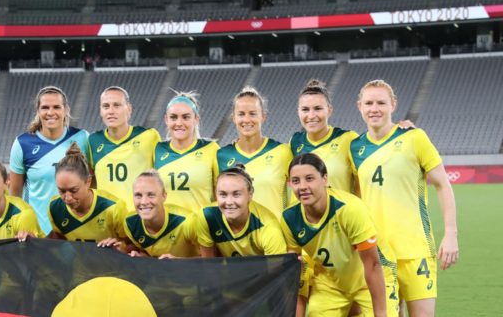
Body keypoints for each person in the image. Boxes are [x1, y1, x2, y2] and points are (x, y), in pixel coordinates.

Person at [349, 79, 459, 316]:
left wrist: (451, 234)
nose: (374, 108)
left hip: (416, 249)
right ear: (359, 106)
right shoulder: (354, 148)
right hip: (376, 253)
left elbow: (443, 184)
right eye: (368, 103)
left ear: (393, 105)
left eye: (381, 102)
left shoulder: (414, 138)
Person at [281, 153, 399, 317]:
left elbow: (373, 265)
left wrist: (381, 314)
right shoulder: (289, 218)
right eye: (296, 181)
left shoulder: (349, 209)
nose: (302, 186)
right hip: (330, 283)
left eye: (309, 178)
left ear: (324, 179)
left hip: (373, 275)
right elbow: (293, 265)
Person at [9, 86, 89, 234]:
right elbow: (15, 197)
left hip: (76, 232)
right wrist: (20, 228)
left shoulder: (82, 138)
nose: (50, 112)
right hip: (37, 235)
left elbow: (92, 186)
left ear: (65, 110)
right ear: (38, 111)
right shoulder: (22, 144)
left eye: (56, 107)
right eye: (45, 107)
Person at [214, 86, 291, 217]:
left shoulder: (282, 152)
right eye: (241, 114)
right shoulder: (221, 156)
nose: (247, 120)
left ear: (263, 117)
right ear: (234, 118)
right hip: (236, 236)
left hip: (274, 234)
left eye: (253, 113)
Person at [87, 86, 161, 210]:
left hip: (140, 220)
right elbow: (91, 182)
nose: (111, 111)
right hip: (108, 222)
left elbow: (162, 179)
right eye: (106, 106)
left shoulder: (149, 136)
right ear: (100, 111)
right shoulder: (92, 141)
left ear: (129, 109)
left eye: (117, 105)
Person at [98, 170, 199, 258]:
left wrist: (178, 262)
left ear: (164, 196)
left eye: (151, 195)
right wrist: (120, 250)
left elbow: (211, 260)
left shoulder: (187, 222)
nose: (144, 202)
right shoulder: (130, 223)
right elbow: (145, 253)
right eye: (138, 195)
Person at [196, 164, 287, 257]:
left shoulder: (269, 228)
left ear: (250, 194)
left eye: (236, 194)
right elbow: (208, 265)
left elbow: (276, 270)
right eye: (223, 194)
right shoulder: (207, 217)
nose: (229, 202)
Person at [46, 143, 126, 242]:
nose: (68, 198)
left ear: (88, 182)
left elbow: (133, 246)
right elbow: (58, 240)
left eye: (73, 190)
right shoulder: (54, 208)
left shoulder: (113, 208)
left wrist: (120, 247)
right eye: (61, 191)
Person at [154, 91, 219, 210]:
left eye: (186, 117)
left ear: (196, 119)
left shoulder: (211, 149)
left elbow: (222, 195)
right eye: (173, 117)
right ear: (166, 120)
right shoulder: (157, 150)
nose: (179, 123)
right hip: (167, 228)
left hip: (200, 227)